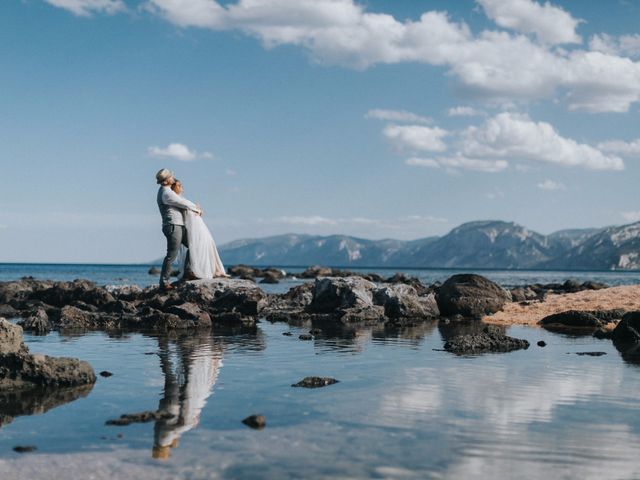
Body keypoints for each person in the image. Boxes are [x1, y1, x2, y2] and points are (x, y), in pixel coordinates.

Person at [171, 179, 228, 279]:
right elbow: (189, 208)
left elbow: (192, 208)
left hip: (198, 226)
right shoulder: (175, 199)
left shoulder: (181, 198)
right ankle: (195, 270)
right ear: (173, 187)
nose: (181, 188)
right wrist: (197, 209)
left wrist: (197, 210)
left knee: (208, 244)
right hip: (193, 227)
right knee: (198, 246)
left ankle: (213, 269)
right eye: (179, 186)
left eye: (181, 186)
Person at [156, 168, 202, 291]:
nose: (172, 178)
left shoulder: (165, 191)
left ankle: (188, 271)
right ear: (165, 181)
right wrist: (197, 209)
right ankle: (164, 283)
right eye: (170, 177)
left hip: (177, 225)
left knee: (193, 245)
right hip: (173, 226)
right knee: (171, 255)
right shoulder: (166, 193)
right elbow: (182, 202)